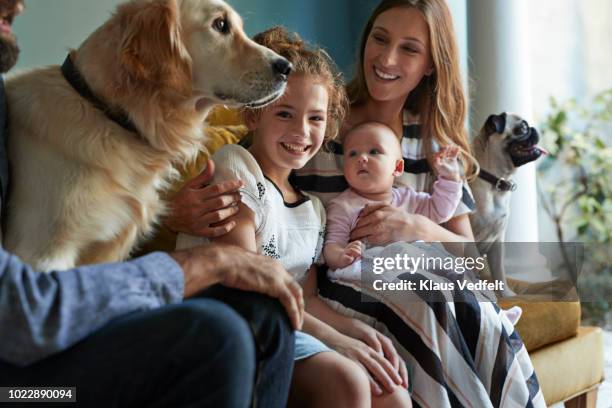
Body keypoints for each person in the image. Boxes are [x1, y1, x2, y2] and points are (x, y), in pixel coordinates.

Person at [166, 1, 546, 407]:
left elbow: (473, 260)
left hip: (385, 286)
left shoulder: (434, 146)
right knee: (426, 303)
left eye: (409, 49)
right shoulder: (319, 118)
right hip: (340, 291)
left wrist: (416, 228)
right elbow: (251, 172)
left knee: (467, 306)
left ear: (432, 64)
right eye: (380, 39)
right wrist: (175, 212)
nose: (386, 58)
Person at [0, 1, 299, 407]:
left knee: (261, 313)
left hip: (54, 342)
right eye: (221, 27)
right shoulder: (38, 123)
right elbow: (24, 316)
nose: (20, 5)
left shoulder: (98, 123)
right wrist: (206, 264)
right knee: (217, 336)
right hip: (22, 391)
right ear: (163, 52)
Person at [177, 27, 412, 408]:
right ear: (253, 115)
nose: (301, 131)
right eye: (285, 113)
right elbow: (247, 280)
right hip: (241, 320)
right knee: (348, 381)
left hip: (293, 322)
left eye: (315, 118)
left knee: (394, 396)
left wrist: (358, 333)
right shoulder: (236, 166)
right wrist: (338, 341)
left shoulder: (314, 210)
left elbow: (306, 296)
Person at [324, 121, 462, 271]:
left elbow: (440, 210)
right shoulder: (342, 206)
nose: (362, 158)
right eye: (352, 153)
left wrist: (450, 178)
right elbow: (332, 244)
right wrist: (341, 256)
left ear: (397, 167)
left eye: (374, 152)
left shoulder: (409, 199)